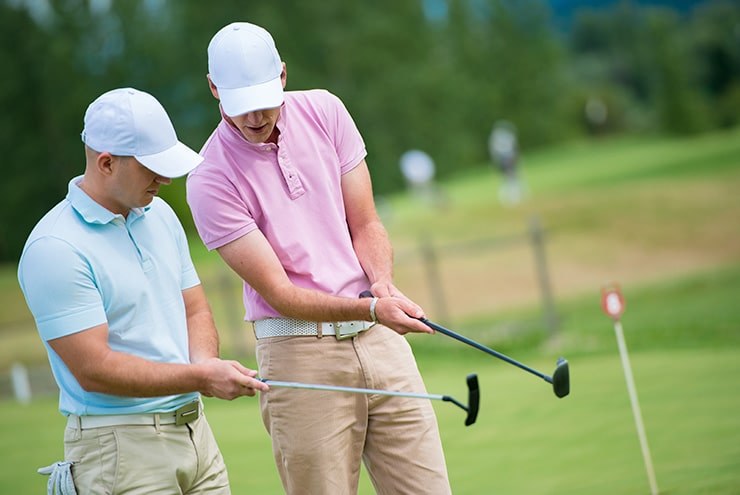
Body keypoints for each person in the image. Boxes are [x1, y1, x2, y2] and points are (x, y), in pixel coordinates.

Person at [186, 22, 451, 494]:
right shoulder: (209, 178)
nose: (254, 117)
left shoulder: (326, 111)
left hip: (379, 338)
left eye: (264, 100)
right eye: (241, 105)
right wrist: (373, 306)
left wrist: (382, 283)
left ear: (283, 75)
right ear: (213, 89)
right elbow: (281, 294)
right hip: (298, 357)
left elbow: (365, 223)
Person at [17, 87, 268, 495]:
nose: (165, 178)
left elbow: (194, 310)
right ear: (106, 163)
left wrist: (205, 365)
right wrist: (200, 377)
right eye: (151, 167)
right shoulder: (55, 248)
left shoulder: (160, 215)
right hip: (118, 451)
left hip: (196, 434)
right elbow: (94, 368)